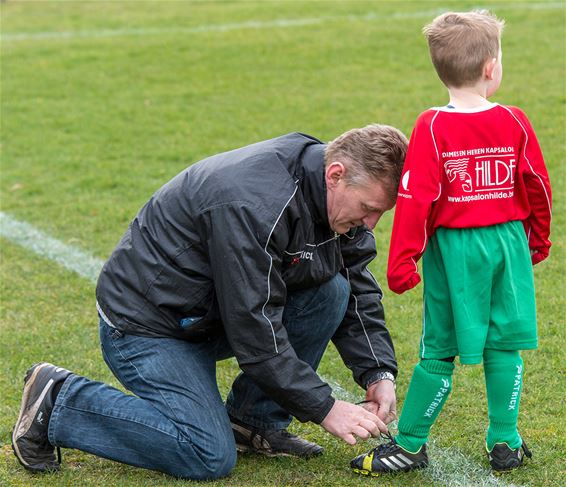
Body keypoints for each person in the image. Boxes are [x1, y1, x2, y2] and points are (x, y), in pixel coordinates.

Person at [13, 124, 409, 480]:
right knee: (207, 454)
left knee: (332, 291)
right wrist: (324, 407)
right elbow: (254, 327)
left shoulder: (328, 193)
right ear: (336, 175)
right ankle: (59, 399)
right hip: (150, 325)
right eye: (369, 209)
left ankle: (253, 422)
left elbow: (356, 284)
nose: (371, 224)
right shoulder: (254, 205)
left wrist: (378, 374)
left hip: (211, 314)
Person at [351, 10, 552, 477]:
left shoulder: (432, 126)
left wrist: (402, 261)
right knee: (504, 345)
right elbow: (537, 185)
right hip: (506, 245)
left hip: (455, 252)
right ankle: (505, 439)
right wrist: (537, 239)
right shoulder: (514, 121)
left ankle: (410, 444)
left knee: (439, 349)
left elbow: (416, 197)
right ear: (491, 68)